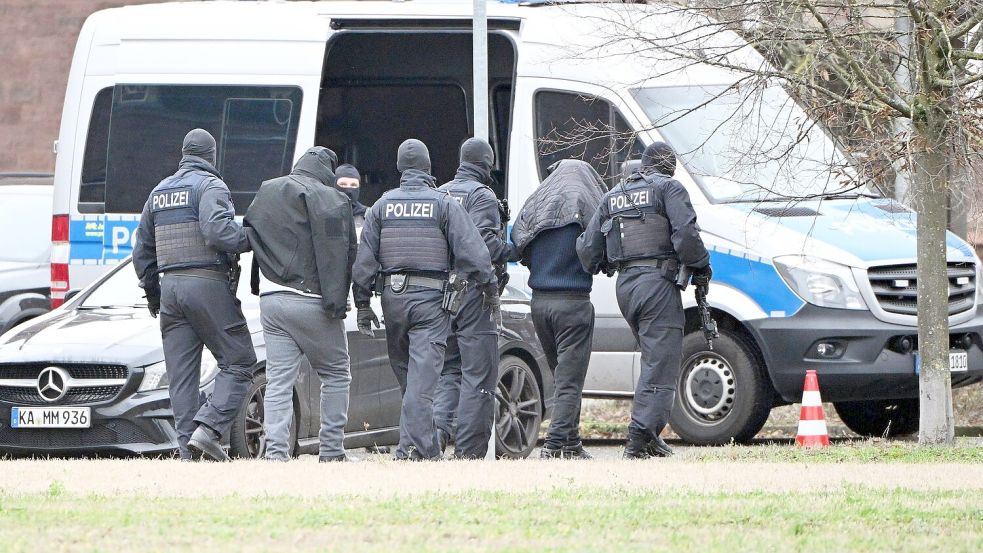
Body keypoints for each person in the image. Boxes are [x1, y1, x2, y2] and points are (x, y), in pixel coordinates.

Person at [352, 138, 497, 460]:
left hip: (392, 299)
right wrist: (489, 287)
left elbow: (363, 263)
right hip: (430, 303)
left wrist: (362, 304)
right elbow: (474, 252)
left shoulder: (381, 206)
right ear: (428, 167)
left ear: (400, 168)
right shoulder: (443, 204)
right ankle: (423, 450)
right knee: (421, 383)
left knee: (408, 379)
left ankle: (409, 448)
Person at [577, 142, 711, 459]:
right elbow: (686, 236)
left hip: (626, 287)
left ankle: (650, 436)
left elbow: (587, 250)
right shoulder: (669, 189)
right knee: (662, 362)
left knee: (654, 359)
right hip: (657, 285)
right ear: (670, 167)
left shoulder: (613, 196)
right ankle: (640, 437)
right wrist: (702, 265)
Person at [132, 128, 254, 462]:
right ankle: (209, 428)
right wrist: (253, 238)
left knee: (182, 377)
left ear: (184, 153)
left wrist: (155, 296)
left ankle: (189, 452)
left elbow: (142, 252)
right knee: (240, 361)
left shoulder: (158, 193)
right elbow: (220, 233)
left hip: (170, 289)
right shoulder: (210, 186)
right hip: (207, 284)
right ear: (211, 155)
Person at [244, 147, 357, 463]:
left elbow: (252, 233)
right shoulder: (333, 200)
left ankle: (276, 452)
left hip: (271, 300)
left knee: (279, 380)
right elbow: (340, 253)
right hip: (311, 301)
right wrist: (338, 303)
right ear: (328, 171)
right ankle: (332, 451)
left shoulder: (268, 190)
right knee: (336, 374)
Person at [510, 159, 606, 460]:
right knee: (570, 380)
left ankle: (572, 443)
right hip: (573, 304)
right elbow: (601, 254)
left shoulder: (538, 209)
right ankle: (553, 447)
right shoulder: (588, 209)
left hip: (539, 305)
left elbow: (517, 246)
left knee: (562, 376)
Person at [432, 138, 510, 459]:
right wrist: (517, 247)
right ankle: (468, 454)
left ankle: (435, 437)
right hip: (474, 294)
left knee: (448, 372)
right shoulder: (482, 195)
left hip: (440, 296)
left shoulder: (439, 194)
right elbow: (486, 246)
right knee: (479, 375)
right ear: (487, 164)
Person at [335, 163, 368, 228]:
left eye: (353, 185)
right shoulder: (321, 212)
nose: (349, 190)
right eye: (343, 184)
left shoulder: (368, 216)